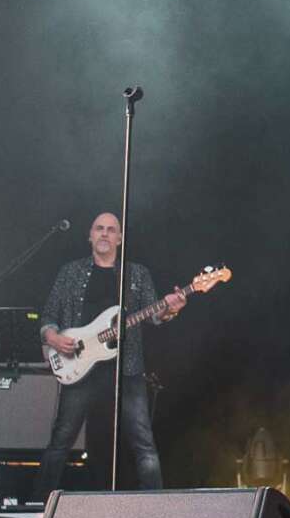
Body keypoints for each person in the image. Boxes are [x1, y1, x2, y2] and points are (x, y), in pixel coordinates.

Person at [36, 212, 184, 495]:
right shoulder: (70, 272)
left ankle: (155, 506)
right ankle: (37, 508)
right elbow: (48, 316)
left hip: (126, 369)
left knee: (143, 442)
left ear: (119, 238)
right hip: (78, 365)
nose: (104, 233)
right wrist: (54, 338)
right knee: (61, 440)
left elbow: (154, 315)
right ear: (89, 236)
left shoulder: (137, 274)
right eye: (99, 228)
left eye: (111, 229)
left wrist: (171, 307)